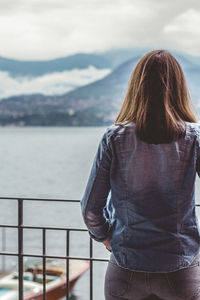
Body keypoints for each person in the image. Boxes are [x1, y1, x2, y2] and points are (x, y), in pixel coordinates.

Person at [80, 49, 200, 300]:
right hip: (180, 269)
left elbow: (91, 208)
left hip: (125, 269)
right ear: (179, 87)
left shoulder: (114, 138)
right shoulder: (194, 138)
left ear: (137, 87)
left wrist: (104, 237)